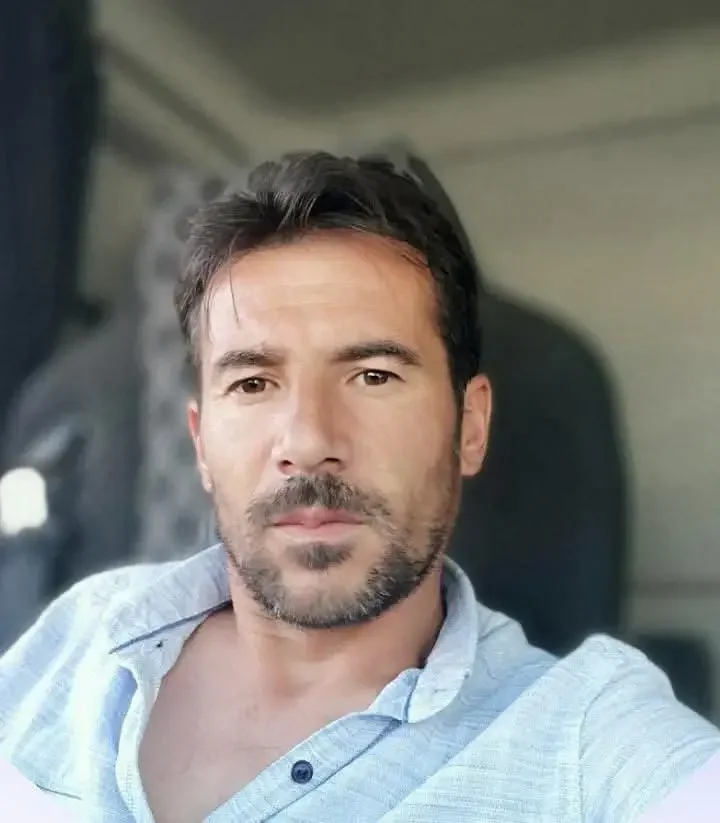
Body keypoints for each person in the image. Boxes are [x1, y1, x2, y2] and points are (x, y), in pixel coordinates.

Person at [0, 152, 717, 823]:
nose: (308, 440)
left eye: (373, 375)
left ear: (469, 427)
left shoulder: (589, 740)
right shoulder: (81, 630)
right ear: (202, 443)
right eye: (253, 383)